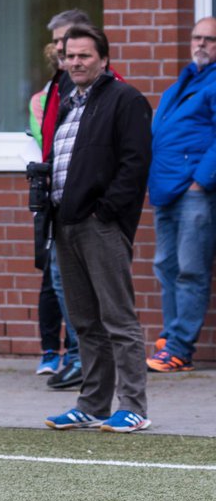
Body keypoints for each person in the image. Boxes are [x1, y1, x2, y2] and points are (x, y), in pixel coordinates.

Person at [41, 25, 152, 433]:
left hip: (100, 226)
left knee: (118, 320)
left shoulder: (125, 99)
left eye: (84, 56)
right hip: (65, 224)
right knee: (85, 322)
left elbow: (135, 164)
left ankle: (134, 406)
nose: (75, 63)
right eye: (70, 56)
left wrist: (106, 212)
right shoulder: (69, 103)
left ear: (103, 59)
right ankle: (93, 404)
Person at [145, 17, 216, 373]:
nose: (202, 44)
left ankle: (179, 348)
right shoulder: (182, 83)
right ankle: (171, 337)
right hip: (167, 191)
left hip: (194, 193)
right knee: (166, 267)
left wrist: (201, 181)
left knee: (190, 270)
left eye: (210, 39)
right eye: (197, 37)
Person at [28, 10, 90, 387]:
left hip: (84, 204)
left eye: (66, 40)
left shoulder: (96, 88)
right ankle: (68, 354)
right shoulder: (52, 89)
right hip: (55, 199)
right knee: (54, 277)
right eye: (57, 42)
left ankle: (84, 356)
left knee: (78, 282)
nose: (61, 49)